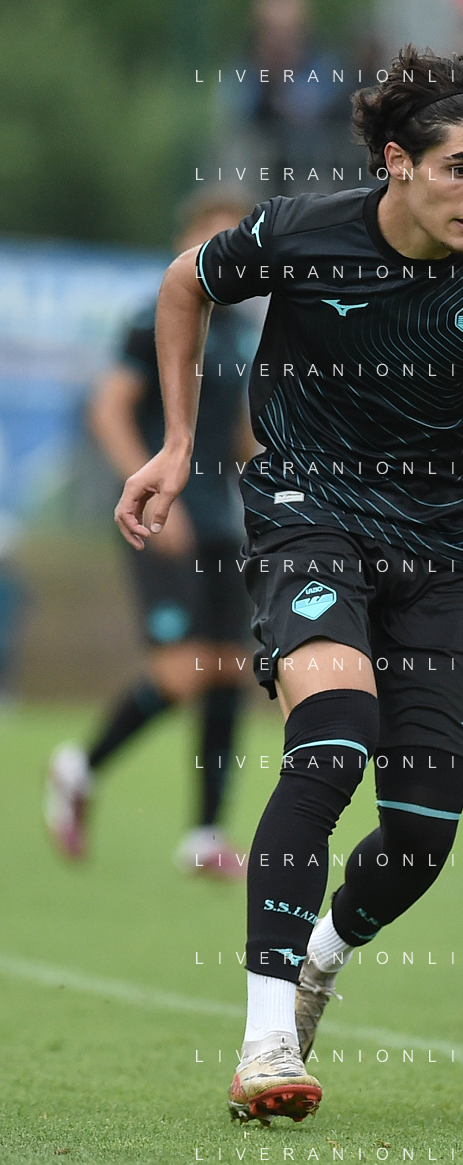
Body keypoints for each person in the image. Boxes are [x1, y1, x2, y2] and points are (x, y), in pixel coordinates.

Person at [114, 45, 463, 1124]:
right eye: (460, 168)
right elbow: (185, 282)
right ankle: (265, 1043)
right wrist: (175, 444)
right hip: (310, 516)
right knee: (332, 734)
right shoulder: (303, 233)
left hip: (442, 557)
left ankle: (323, 956)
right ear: (397, 163)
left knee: (420, 837)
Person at [45, 190, 256, 880]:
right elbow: (107, 408)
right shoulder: (160, 315)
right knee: (181, 668)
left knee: (229, 669)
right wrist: (151, 491)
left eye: (237, 238)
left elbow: (240, 435)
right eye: (212, 236)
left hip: (223, 522)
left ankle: (205, 833)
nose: (226, 251)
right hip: (164, 516)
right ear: (185, 240)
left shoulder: (239, 330)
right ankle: (80, 766)